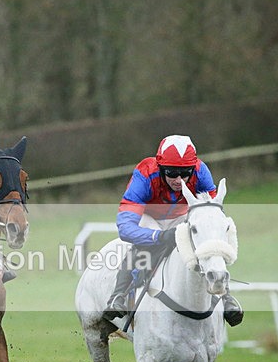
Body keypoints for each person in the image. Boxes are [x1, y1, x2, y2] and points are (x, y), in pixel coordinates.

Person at [103, 134, 243, 326]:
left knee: (205, 241)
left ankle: (225, 296)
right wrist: (159, 236)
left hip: (182, 217)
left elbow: (212, 214)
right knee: (144, 244)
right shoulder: (144, 175)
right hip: (149, 217)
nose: (178, 179)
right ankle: (118, 295)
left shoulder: (201, 171)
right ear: (160, 168)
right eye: (171, 173)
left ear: (192, 169)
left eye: (185, 173)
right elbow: (125, 228)